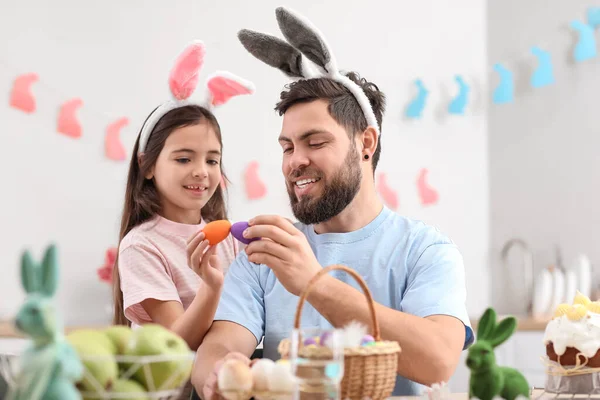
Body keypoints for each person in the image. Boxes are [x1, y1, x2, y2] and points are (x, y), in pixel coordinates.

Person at [192, 8, 473, 397]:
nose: (294, 161)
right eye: (287, 147)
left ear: (366, 144)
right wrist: (221, 370)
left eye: (316, 142)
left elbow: (438, 360)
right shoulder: (264, 252)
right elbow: (218, 346)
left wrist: (313, 283)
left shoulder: (425, 251)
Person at [111, 40, 254, 351]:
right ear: (146, 165)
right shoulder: (141, 245)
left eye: (212, 160)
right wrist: (212, 287)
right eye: (184, 159)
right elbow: (178, 343)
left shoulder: (229, 239)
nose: (201, 171)